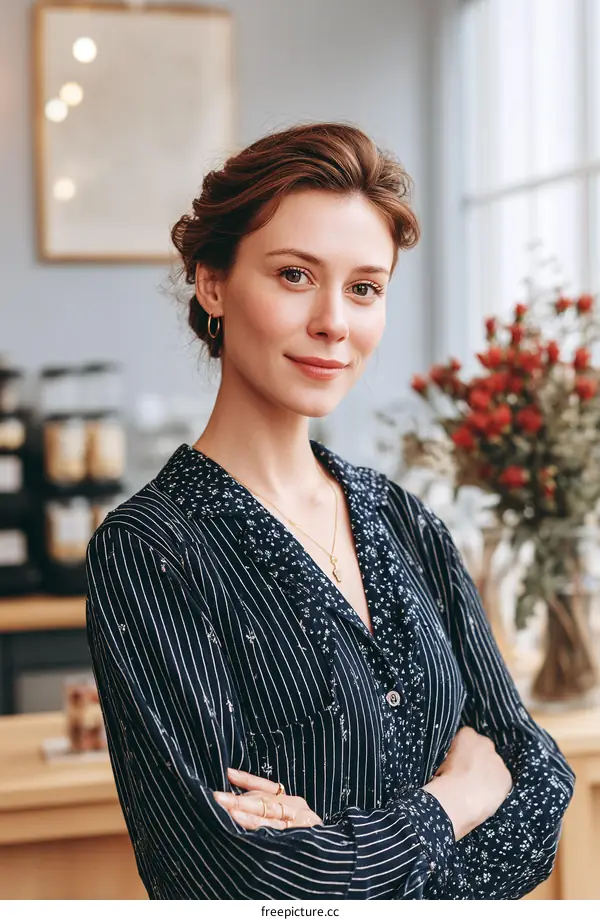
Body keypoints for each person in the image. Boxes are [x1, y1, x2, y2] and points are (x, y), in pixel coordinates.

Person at [85, 122, 575, 900]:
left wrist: (341, 857)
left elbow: (542, 785)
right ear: (212, 282)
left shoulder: (403, 521)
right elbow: (239, 883)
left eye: (363, 288)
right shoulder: (150, 551)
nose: (333, 323)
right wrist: (459, 798)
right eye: (292, 275)